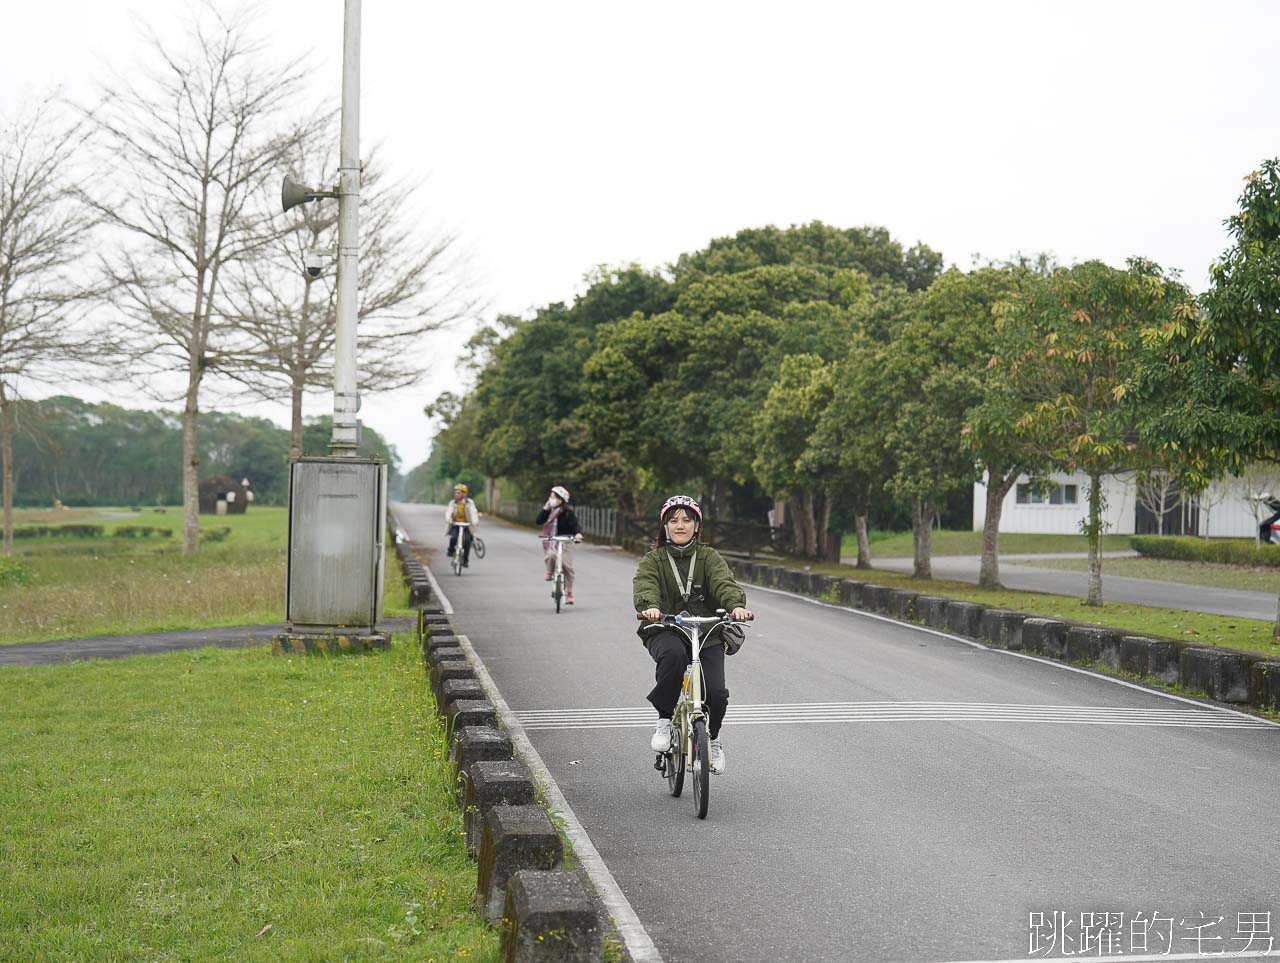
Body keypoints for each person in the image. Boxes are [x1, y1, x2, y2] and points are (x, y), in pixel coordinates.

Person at [634, 494, 753, 775]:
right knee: (673, 656)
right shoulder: (654, 560)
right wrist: (650, 607)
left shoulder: (709, 557)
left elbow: (723, 583)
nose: (680, 525)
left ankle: (712, 738)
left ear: (697, 526)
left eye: (687, 520)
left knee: (717, 692)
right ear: (664, 526)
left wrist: (735, 606)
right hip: (666, 628)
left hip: (706, 630)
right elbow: (645, 585)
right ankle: (664, 719)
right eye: (673, 520)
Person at [535, 485, 583, 603]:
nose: (551, 499)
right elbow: (538, 521)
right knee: (551, 555)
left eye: (553, 497)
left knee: (567, 567)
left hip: (566, 540)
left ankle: (569, 593)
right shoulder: (549, 510)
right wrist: (545, 509)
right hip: (553, 540)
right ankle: (550, 571)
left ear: (560, 500)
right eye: (550, 497)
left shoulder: (567, 512)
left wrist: (578, 534)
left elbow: (575, 525)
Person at [444, 483, 479, 566]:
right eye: (455, 492)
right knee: (453, 538)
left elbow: (473, 512)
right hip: (455, 525)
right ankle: (450, 550)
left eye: (458, 493)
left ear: (464, 494)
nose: (456, 494)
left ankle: (465, 560)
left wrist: (474, 521)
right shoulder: (453, 503)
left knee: (467, 541)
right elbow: (449, 511)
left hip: (466, 526)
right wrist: (448, 519)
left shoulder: (469, 503)